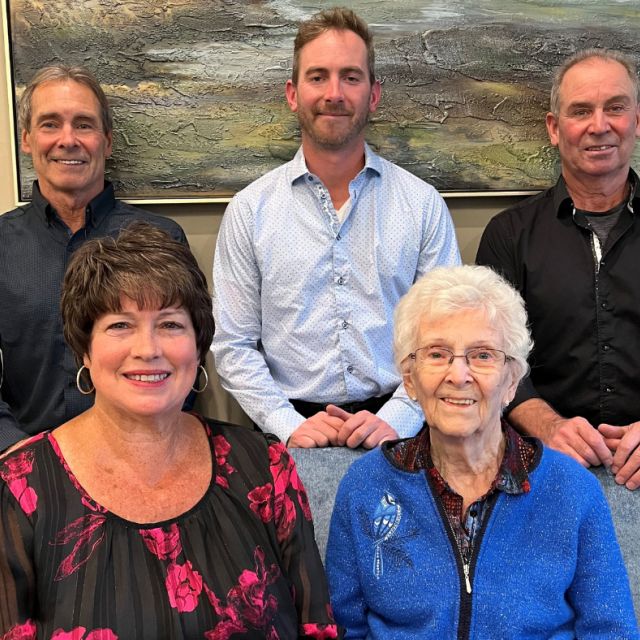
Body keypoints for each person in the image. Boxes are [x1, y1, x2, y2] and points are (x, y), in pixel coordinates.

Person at [0, 223, 338, 638]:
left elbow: (316, 626)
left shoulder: (265, 467)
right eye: (120, 325)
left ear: (199, 347)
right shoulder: (19, 487)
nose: (148, 349)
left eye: (171, 324)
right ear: (84, 349)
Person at [325, 265, 637, 638]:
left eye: (483, 355)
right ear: (410, 379)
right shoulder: (365, 486)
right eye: (437, 354)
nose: (459, 375)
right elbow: (342, 629)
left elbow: (612, 630)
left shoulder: (572, 490)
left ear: (512, 381)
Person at [212, 7, 460, 449]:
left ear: (373, 94)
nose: (334, 93)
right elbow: (233, 344)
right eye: (318, 77)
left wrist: (397, 419)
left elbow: (446, 335)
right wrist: (287, 424)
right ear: (293, 94)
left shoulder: (422, 206)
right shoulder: (250, 211)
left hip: (402, 428)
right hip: (287, 432)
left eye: (350, 77)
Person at [0, 64, 187, 451]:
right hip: (24, 459)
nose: (68, 140)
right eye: (50, 124)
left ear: (107, 141)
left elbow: (181, 357)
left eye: (83, 125)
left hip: (141, 456)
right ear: (27, 139)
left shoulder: (161, 238)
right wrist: (18, 452)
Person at [476, 49, 640, 490]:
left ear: (637, 120)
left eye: (615, 108)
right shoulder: (508, 236)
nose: (599, 125)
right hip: (540, 468)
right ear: (554, 128)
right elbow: (488, 355)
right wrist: (548, 426)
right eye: (581, 111)